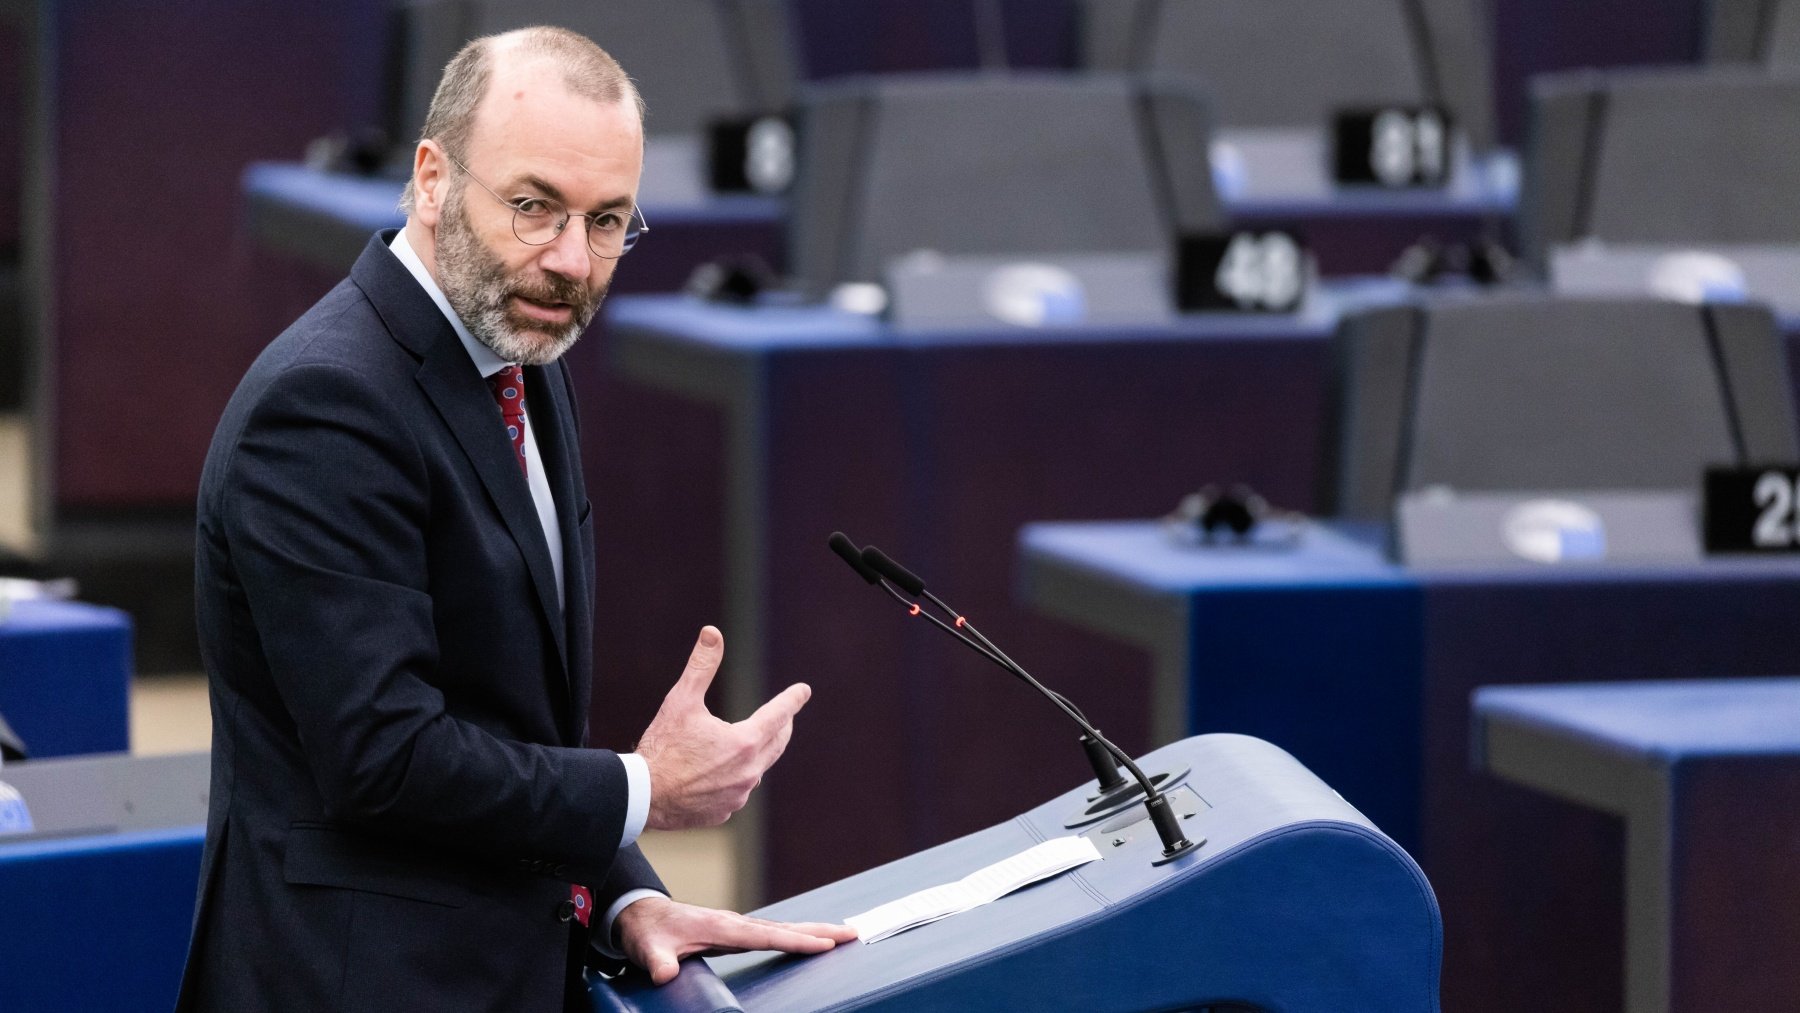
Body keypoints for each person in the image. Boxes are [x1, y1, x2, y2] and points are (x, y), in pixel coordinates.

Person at [176, 26, 854, 1012]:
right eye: (534, 207)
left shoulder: (521, 357)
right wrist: (643, 790)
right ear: (432, 177)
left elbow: (505, 719)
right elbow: (388, 755)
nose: (571, 261)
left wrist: (624, 894)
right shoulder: (325, 403)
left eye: (609, 220)